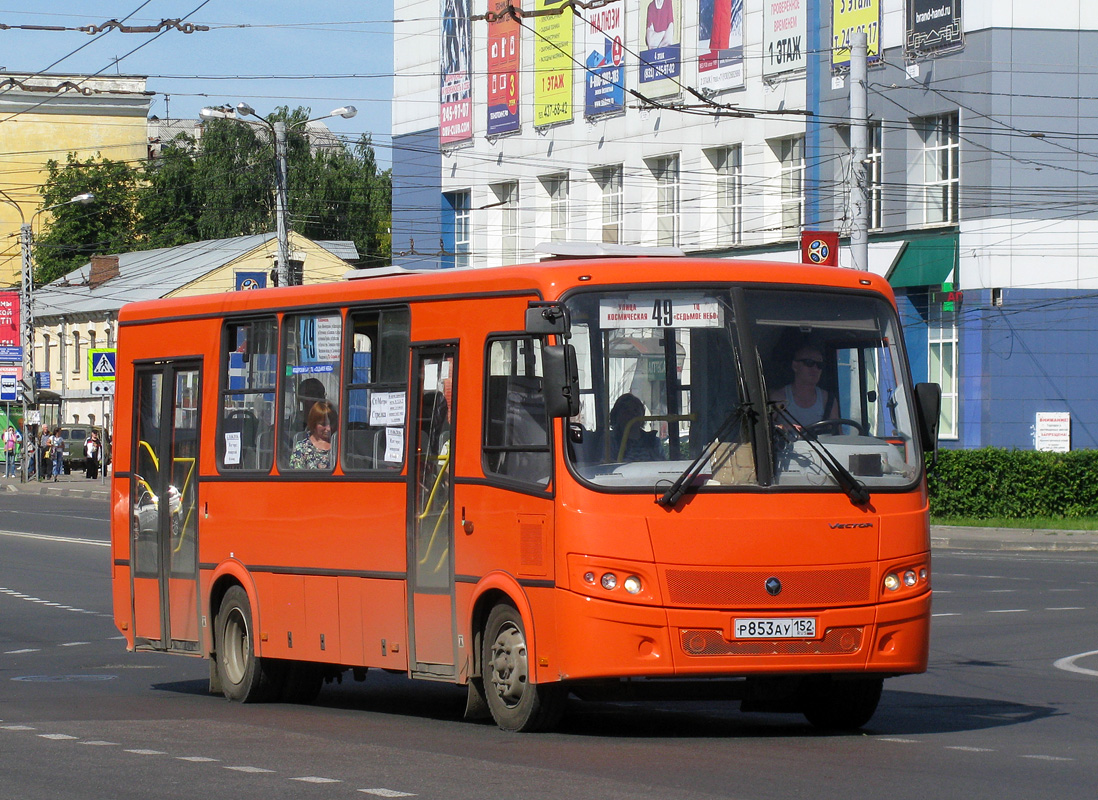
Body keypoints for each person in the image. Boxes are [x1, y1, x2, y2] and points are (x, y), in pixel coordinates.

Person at [769, 343, 839, 429]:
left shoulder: (828, 399)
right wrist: (782, 427)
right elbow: (765, 430)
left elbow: (837, 434)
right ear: (795, 366)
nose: (815, 369)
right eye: (809, 363)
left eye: (819, 365)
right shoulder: (778, 398)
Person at [609, 393, 663, 462]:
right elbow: (608, 468)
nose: (632, 415)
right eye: (627, 412)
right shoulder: (610, 440)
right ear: (617, 416)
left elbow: (661, 464)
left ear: (642, 414)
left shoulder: (653, 441)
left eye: (636, 410)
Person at [289, 400, 336, 470]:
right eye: (323, 424)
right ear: (313, 424)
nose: (328, 428)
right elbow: (296, 477)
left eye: (331, 423)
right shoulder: (302, 449)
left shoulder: (340, 446)